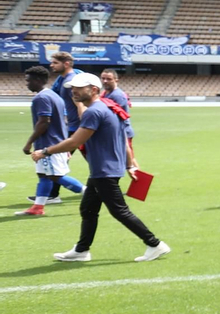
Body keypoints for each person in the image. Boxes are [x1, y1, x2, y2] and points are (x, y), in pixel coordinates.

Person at [33, 72, 170, 261]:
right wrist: (130, 166)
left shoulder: (94, 111)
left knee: (119, 211)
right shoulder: (109, 107)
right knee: (88, 209)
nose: (74, 91)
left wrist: (45, 151)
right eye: (72, 88)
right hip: (105, 169)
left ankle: (155, 244)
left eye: (78, 88)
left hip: (104, 170)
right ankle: (81, 250)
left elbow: (74, 142)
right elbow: (123, 140)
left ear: (94, 89)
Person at [16, 67, 71, 217]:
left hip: (48, 143)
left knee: (55, 176)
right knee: (44, 174)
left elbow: (44, 122)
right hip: (56, 142)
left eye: (29, 81)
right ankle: (38, 207)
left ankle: (91, 193)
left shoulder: (42, 98)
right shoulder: (55, 96)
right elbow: (64, 121)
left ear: (38, 80)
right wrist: (65, 144)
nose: (27, 84)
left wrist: (29, 143)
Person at [40, 51, 86, 201]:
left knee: (56, 159)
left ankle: (54, 195)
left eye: (55, 63)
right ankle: (53, 194)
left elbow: (79, 105)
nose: (51, 65)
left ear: (66, 64)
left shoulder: (70, 82)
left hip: (77, 129)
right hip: (72, 127)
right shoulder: (62, 79)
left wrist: (84, 126)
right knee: (60, 160)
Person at [100, 68, 137, 171]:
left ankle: (141, 184)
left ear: (116, 80)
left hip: (122, 131)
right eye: (103, 78)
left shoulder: (117, 95)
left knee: (129, 161)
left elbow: (117, 116)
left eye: (109, 79)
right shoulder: (106, 93)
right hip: (117, 131)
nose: (105, 81)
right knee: (127, 160)